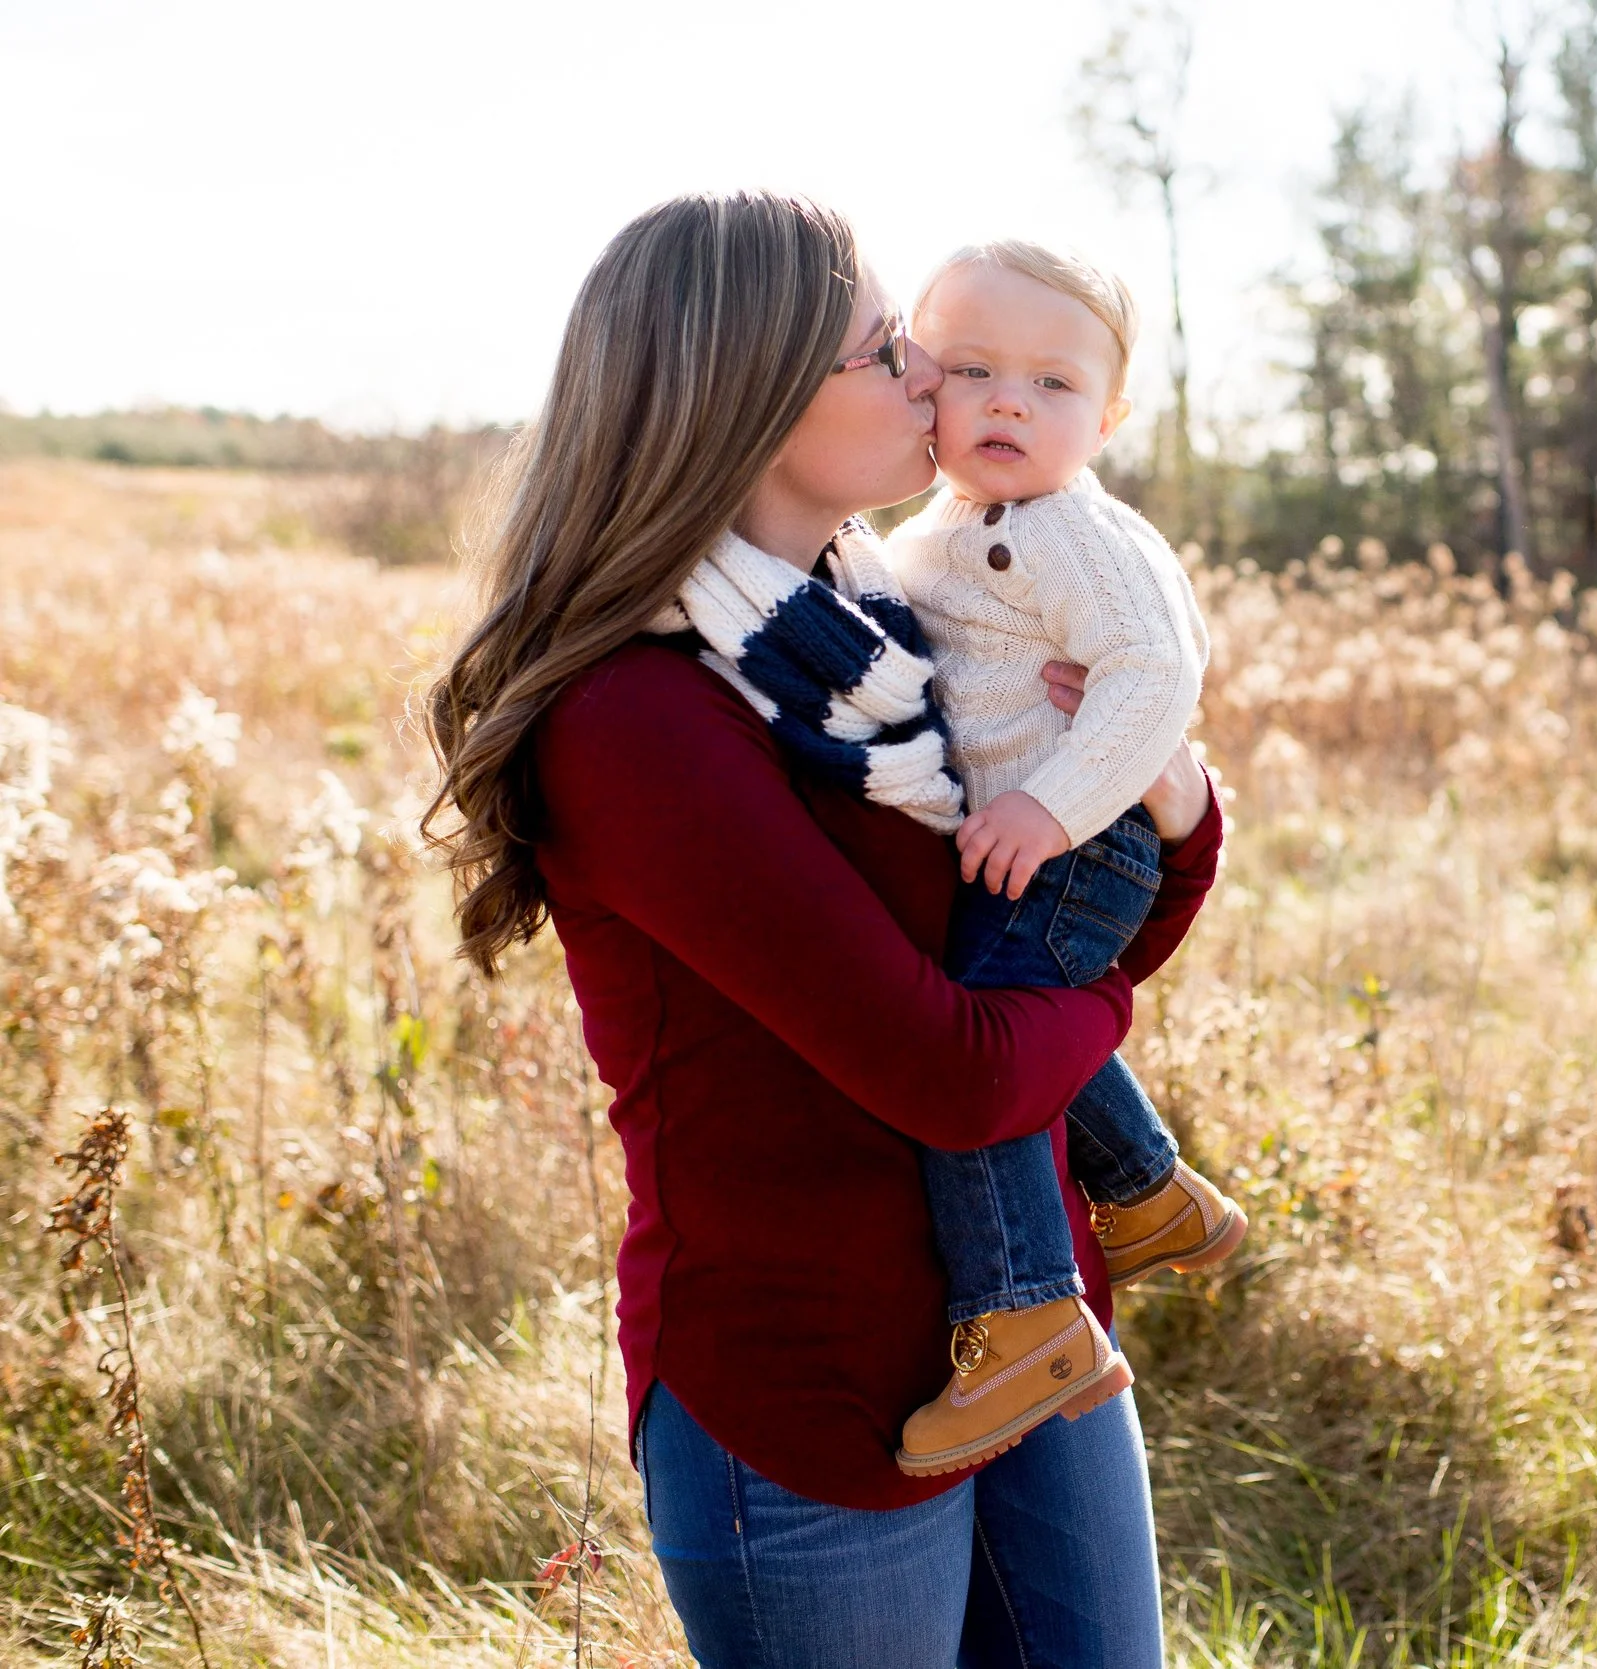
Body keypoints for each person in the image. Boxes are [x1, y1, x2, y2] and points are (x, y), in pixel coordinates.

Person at [423, 191, 1211, 1669]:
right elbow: (960, 1070)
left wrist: (1168, 798)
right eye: (882, 353)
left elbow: (1059, 946)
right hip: (815, 1396)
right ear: (752, 394)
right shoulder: (642, 720)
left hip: (1034, 1333)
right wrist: (1098, 1013)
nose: (933, 379)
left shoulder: (898, 630)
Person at [878, 240, 1247, 1477]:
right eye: (971, 368)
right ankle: (1145, 1193)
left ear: (1108, 419)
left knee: (976, 1037)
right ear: (917, 377)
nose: (1005, 402)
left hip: (1077, 845)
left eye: (1051, 385)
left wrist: (1050, 804)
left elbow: (1152, 676)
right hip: (1028, 844)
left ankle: (1029, 1312)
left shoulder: (1070, 532)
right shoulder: (937, 527)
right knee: (1017, 1010)